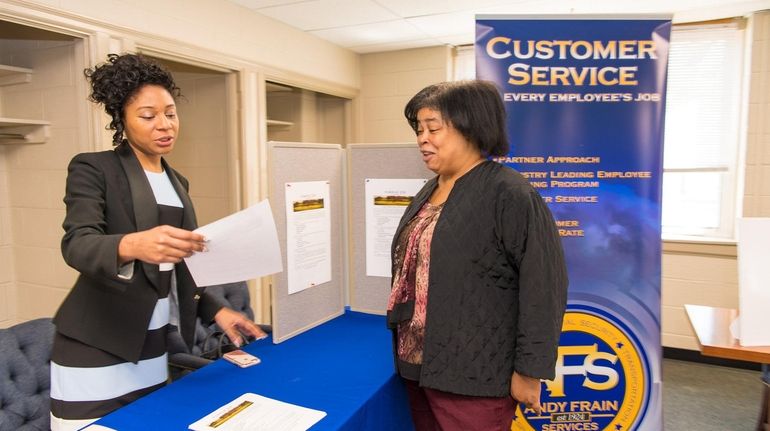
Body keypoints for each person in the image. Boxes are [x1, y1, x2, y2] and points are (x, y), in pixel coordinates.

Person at [49, 53, 266, 431]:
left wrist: (216, 308)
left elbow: (180, 263)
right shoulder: (94, 168)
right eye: (148, 116)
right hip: (96, 344)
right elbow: (77, 244)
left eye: (170, 113)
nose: (164, 125)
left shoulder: (177, 182)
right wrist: (131, 245)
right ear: (122, 120)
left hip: (152, 345)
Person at [387, 80, 569, 431]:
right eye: (419, 129)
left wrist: (530, 371)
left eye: (433, 128)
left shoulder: (510, 193)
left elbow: (544, 287)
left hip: (475, 374)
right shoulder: (430, 189)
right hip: (418, 364)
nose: (422, 138)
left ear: (471, 127)